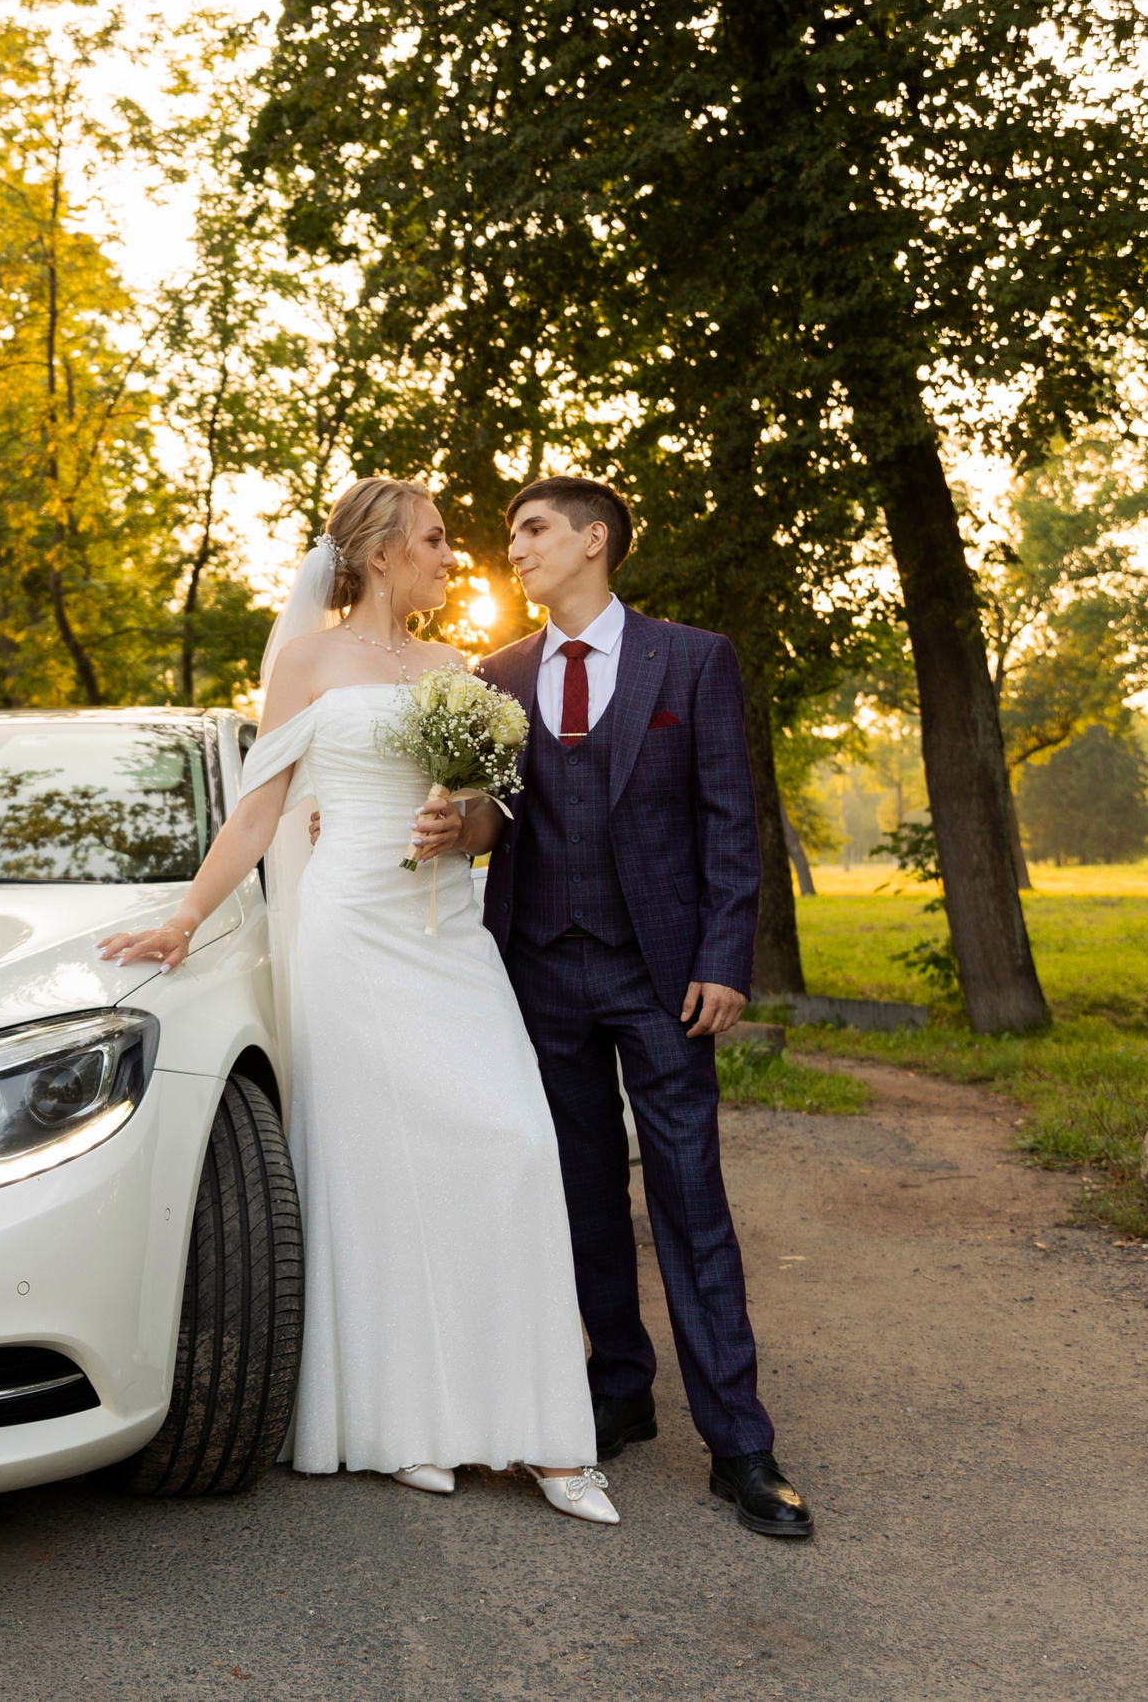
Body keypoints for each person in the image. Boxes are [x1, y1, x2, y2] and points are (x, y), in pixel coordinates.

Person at [99, 477, 616, 1523]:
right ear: (380, 551)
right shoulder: (306, 661)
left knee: (512, 1142)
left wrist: (459, 827)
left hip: (443, 932)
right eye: (433, 541)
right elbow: (259, 813)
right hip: (345, 929)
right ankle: (401, 1424)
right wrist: (185, 919)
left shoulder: (454, 669)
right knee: (375, 1168)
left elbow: (484, 823)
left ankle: (550, 1436)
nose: (448, 558)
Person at [443, 474, 813, 1540]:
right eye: (513, 533)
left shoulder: (691, 659)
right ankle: (618, 1392)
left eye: (534, 530)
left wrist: (725, 960)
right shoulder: (497, 674)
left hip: (663, 979)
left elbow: (727, 820)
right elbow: (491, 823)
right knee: (582, 1200)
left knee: (691, 1202)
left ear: (594, 539)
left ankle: (740, 1443)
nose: (514, 548)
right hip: (538, 971)